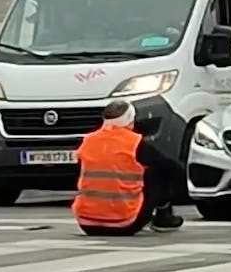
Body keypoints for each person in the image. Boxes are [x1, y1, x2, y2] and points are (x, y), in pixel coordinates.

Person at [72, 100, 185, 236]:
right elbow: (172, 167)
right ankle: (164, 216)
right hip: (125, 223)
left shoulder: (88, 140)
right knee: (159, 170)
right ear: (131, 120)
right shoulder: (134, 142)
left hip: (87, 223)